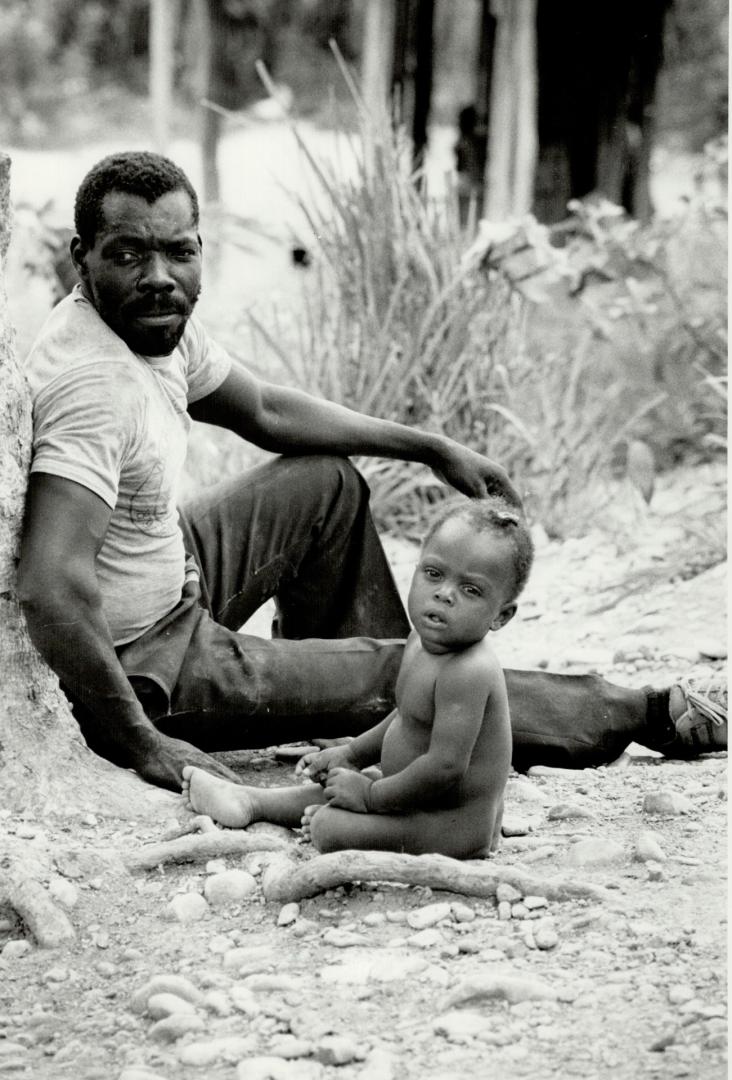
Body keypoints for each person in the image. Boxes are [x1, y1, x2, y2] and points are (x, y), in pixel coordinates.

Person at [18, 151, 726, 796]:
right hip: (150, 664)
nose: (159, 276)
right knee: (413, 672)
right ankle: (631, 711)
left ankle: (366, 716)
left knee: (323, 484)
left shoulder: (148, 320)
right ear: (84, 258)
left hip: (173, 574)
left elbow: (264, 408)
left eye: (179, 252)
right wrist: (140, 741)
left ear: (200, 249)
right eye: (129, 254)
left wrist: (429, 446)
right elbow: (52, 587)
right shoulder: (95, 384)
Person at [181, 497, 534, 857]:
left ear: (501, 616)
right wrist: (351, 754)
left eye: (470, 590)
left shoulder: (469, 671)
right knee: (337, 785)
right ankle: (251, 801)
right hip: (410, 796)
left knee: (330, 826)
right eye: (434, 574)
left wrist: (370, 797)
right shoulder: (421, 644)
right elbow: (408, 717)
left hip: (452, 821)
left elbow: (444, 768)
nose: (444, 594)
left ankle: (336, 817)